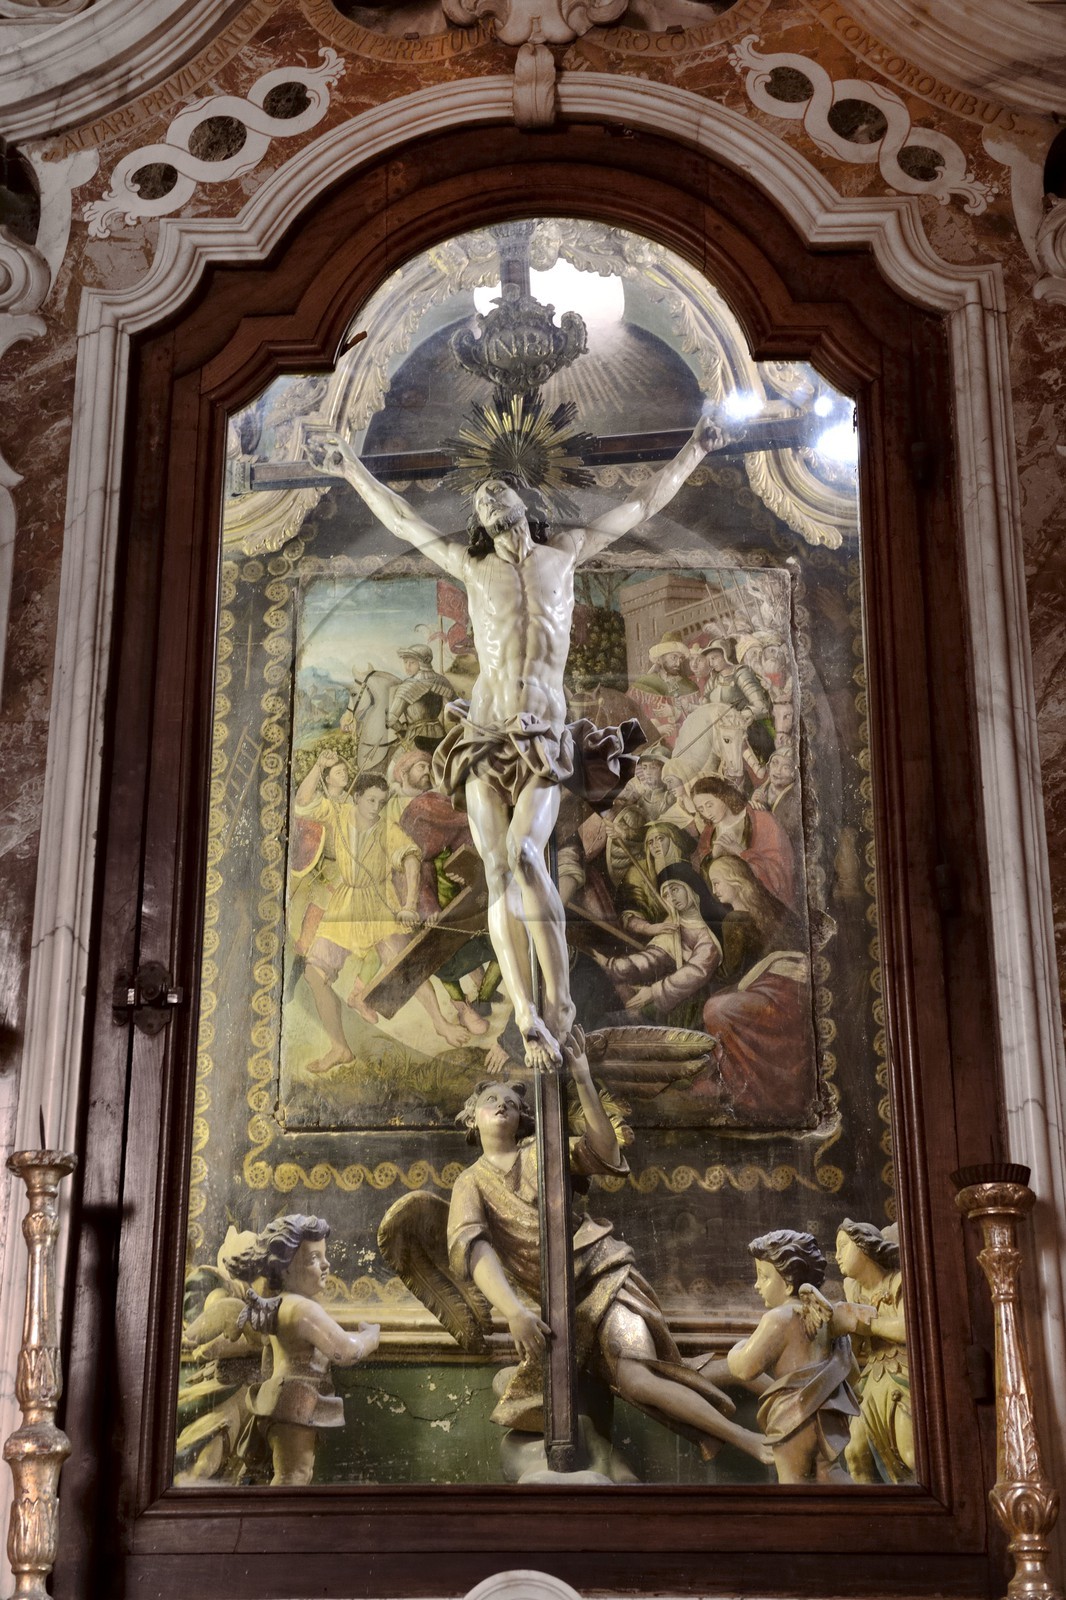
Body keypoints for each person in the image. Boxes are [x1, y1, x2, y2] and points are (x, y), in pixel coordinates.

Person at [318, 415, 726, 1069]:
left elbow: (642, 503)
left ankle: (558, 1005)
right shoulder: (472, 566)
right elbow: (403, 522)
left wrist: (696, 448)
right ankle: (528, 1014)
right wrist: (347, 469)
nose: (488, 498)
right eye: (480, 496)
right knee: (500, 871)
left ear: (523, 503)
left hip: (541, 737)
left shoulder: (565, 552)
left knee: (529, 862)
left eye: (499, 489)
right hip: (483, 735)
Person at [446, 1034, 773, 1467]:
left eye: (510, 1100)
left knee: (638, 1379)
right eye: (491, 1099)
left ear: (525, 1116)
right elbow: (474, 1249)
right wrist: (512, 1311)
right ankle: (754, 1374)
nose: (502, 1104)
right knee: (653, 1375)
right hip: (565, 1309)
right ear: (472, 1118)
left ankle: (749, 1440)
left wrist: (582, 1077)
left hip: (602, 1273)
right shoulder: (469, 1183)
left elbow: (603, 1151)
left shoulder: (544, 1152)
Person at [222, 1215, 380, 1486]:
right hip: (296, 1401)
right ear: (284, 1269)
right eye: (313, 1259)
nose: (326, 1264)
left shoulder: (280, 1305)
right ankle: (280, 1527)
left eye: (324, 1256)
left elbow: (268, 1363)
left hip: (280, 1397)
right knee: (294, 1476)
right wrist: (370, 1336)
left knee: (292, 1474)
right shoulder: (302, 1309)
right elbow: (344, 1351)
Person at [726, 1230, 857, 1484]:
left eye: (763, 1277)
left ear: (787, 1283)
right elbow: (850, 1367)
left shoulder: (779, 1319)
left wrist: (736, 1349)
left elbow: (744, 1369)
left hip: (794, 1417)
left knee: (793, 1484)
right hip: (829, 1411)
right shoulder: (828, 1318)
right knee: (830, 1473)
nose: (756, 1285)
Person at [831, 1219, 914, 1484]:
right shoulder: (852, 1290)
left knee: (911, 1454)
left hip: (903, 1373)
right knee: (854, 1453)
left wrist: (867, 1324)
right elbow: (856, 1349)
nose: (837, 1255)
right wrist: (841, 1330)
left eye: (843, 1246)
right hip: (872, 1376)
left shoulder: (897, 1281)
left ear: (865, 1245)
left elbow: (906, 1329)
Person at [595, 863, 723, 1028]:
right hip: (664, 994)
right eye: (666, 894)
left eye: (675, 889)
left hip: (688, 1001)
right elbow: (653, 957)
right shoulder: (672, 924)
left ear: (690, 888)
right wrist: (614, 966)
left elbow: (696, 972)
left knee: (619, 1022)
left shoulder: (707, 932)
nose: (672, 898)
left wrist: (654, 992)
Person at [690, 774, 795, 908]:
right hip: (730, 906)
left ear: (723, 796)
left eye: (709, 805)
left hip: (762, 904)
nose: (707, 813)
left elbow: (779, 871)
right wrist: (713, 857)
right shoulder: (709, 832)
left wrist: (742, 853)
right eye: (701, 809)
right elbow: (700, 871)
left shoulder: (761, 820)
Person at [386, 644, 454, 748]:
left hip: (416, 739)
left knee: (395, 762)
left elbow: (391, 719)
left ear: (423, 663)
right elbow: (453, 711)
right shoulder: (443, 682)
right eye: (405, 662)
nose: (407, 666)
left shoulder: (407, 686)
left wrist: (402, 731)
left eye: (412, 662)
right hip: (441, 737)